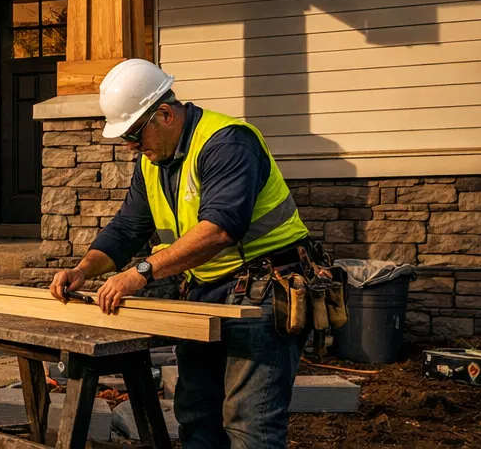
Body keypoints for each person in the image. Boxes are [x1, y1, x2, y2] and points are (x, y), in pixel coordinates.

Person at [48, 58, 314, 449]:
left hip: (263, 294)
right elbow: (128, 228)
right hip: (205, 292)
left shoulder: (228, 142)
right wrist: (84, 269)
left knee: (250, 426)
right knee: (195, 413)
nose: (132, 147)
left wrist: (142, 271)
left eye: (136, 136)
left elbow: (221, 229)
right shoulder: (152, 161)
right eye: (126, 140)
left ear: (166, 114)